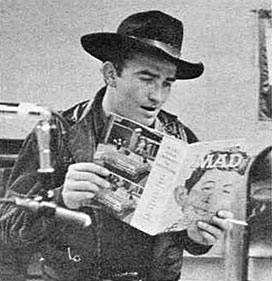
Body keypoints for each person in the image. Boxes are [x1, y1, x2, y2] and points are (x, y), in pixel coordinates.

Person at [0, 10, 233, 281]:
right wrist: (60, 199)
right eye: (146, 79)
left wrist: (200, 235)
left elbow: (188, 238)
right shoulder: (56, 132)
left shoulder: (182, 140)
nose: (157, 96)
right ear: (111, 74)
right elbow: (8, 227)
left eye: (167, 83)